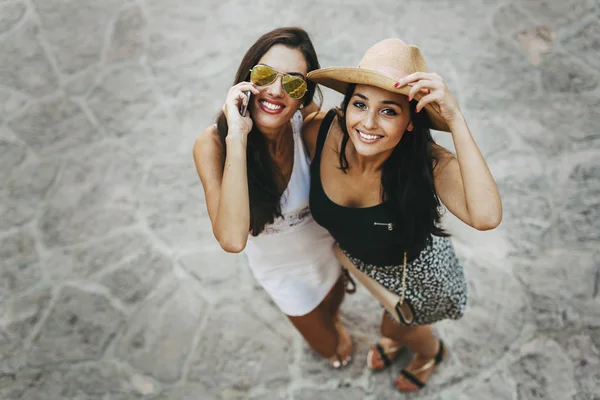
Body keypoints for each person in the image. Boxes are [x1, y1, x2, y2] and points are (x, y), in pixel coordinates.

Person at [303, 38, 502, 391]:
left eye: (389, 111)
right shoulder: (320, 132)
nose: (368, 122)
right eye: (360, 104)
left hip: (418, 271)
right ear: (346, 105)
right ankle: (403, 336)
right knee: (395, 320)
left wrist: (454, 118)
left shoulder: (428, 161)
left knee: (392, 326)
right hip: (364, 264)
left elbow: (486, 216)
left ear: (411, 121)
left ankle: (429, 353)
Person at [193, 27, 352, 368]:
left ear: (303, 95)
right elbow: (232, 239)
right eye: (265, 75)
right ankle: (332, 335)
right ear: (247, 76)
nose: (276, 91)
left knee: (334, 311)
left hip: (327, 253)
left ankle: (335, 319)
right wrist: (239, 134)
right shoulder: (214, 144)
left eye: (293, 83)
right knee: (330, 347)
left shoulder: (306, 125)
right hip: (282, 274)